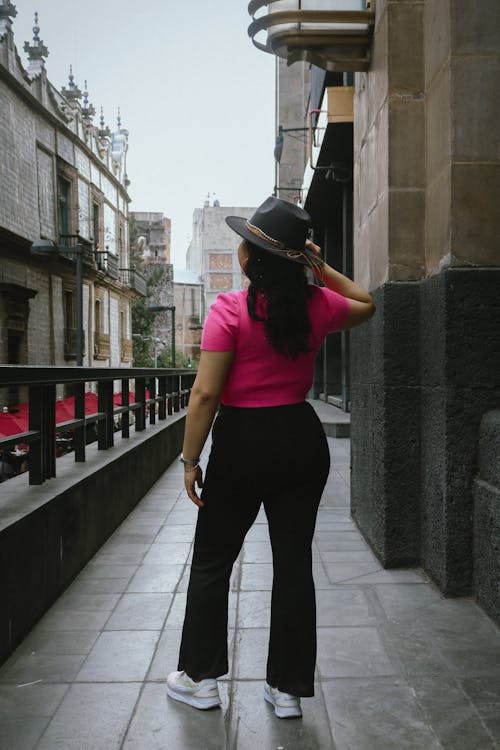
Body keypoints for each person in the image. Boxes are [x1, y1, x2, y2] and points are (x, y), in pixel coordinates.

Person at [166, 197, 375, 718]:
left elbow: (204, 396)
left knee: (214, 560)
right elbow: (367, 303)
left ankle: (200, 678)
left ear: (247, 260)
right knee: (293, 562)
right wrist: (317, 266)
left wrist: (190, 461)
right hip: (301, 439)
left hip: (241, 443)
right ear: (297, 262)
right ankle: (286, 690)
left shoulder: (229, 310)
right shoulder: (318, 305)